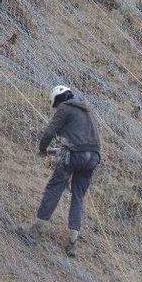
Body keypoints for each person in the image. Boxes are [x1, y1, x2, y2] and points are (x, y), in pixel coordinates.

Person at [21, 85, 101, 257]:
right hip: (93, 157)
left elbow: (50, 132)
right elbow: (84, 140)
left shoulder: (65, 107)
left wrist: (42, 149)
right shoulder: (88, 110)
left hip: (74, 155)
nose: (56, 109)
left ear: (58, 99)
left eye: (55, 105)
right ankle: (73, 242)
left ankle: (36, 230)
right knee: (78, 196)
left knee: (54, 188)